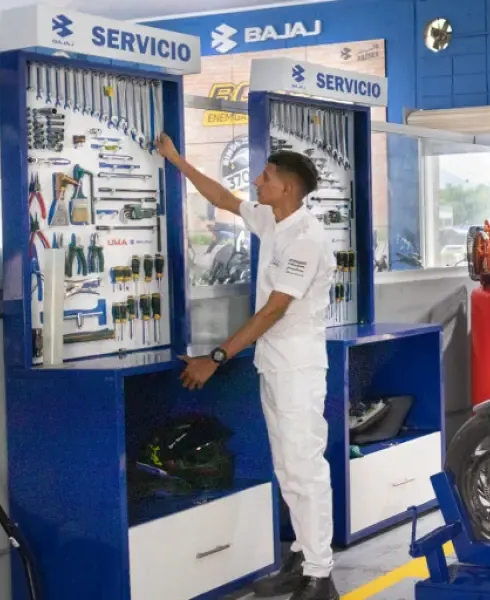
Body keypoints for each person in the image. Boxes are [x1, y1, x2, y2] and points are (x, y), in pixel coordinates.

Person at [156, 133, 341, 598]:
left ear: (288, 188)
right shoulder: (272, 220)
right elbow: (222, 197)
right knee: (287, 468)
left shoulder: (306, 239)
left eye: (266, 176)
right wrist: (176, 159)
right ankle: (303, 557)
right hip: (273, 365)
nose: (258, 181)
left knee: (304, 467)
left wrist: (217, 357)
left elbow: (274, 310)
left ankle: (321, 574)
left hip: (297, 368)